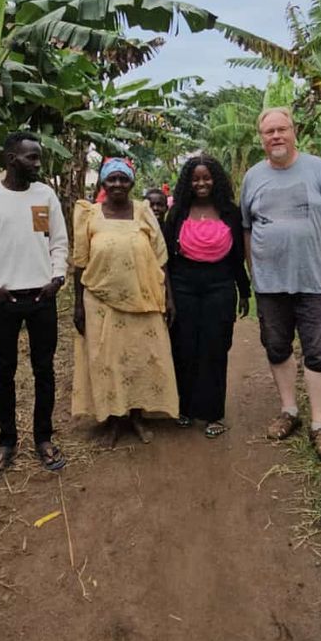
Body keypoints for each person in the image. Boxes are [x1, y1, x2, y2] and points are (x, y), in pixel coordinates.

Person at [240, 108, 321, 461]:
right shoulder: (253, 177)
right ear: (260, 138)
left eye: (281, 129)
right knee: (276, 346)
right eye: (268, 132)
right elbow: (247, 227)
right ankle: (289, 411)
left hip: (315, 279)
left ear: (294, 132)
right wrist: (252, 269)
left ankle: (320, 424)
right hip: (270, 283)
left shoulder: (318, 169)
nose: (275, 136)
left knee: (319, 350)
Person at [0, 131, 69, 474]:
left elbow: (58, 240)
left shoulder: (46, 195)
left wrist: (57, 278)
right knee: (3, 372)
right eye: (32, 158)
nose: (38, 164)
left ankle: (43, 437)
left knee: (44, 370)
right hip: (5, 299)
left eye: (38, 157)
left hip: (43, 296)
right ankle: (6, 440)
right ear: (12, 159)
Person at [71, 158, 179, 448]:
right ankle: (113, 420)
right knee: (108, 361)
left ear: (132, 183)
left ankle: (137, 416)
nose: (118, 184)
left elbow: (161, 258)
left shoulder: (144, 212)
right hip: (99, 302)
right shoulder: (89, 215)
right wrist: (78, 305)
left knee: (138, 358)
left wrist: (168, 297)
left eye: (123, 179)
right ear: (103, 184)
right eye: (112, 179)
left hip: (143, 299)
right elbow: (79, 263)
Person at [165, 155, 250, 437]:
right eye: (196, 178)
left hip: (220, 286)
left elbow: (238, 257)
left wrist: (244, 291)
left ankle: (213, 414)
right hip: (183, 286)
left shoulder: (230, 213)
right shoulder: (177, 213)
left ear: (216, 179)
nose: (201, 183)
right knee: (184, 348)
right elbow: (165, 259)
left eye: (207, 177)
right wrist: (168, 297)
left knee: (215, 349)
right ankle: (185, 409)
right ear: (188, 182)